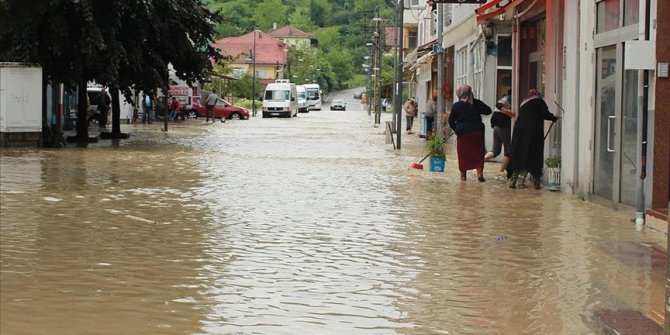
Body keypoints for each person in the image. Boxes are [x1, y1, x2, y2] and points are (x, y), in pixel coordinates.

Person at [507, 89, 559, 189]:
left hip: (520, 132)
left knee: (520, 154)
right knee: (535, 154)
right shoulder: (540, 102)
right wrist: (554, 117)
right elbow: (545, 114)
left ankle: (513, 180)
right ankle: (536, 182)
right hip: (534, 133)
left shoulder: (523, 103)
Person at [448, 84, 492, 182]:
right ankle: (480, 174)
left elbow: (451, 120)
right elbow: (489, 111)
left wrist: (457, 129)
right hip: (477, 132)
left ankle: (463, 177)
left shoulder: (456, 106)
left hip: (463, 134)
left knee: (463, 155)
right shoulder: (477, 103)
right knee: (478, 153)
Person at [484, 95, 516, 179]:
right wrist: (509, 112)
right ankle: (501, 172)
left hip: (496, 126)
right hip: (503, 126)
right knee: (508, 151)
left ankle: (481, 161)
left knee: (495, 150)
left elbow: (498, 105)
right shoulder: (509, 98)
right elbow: (499, 105)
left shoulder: (503, 98)